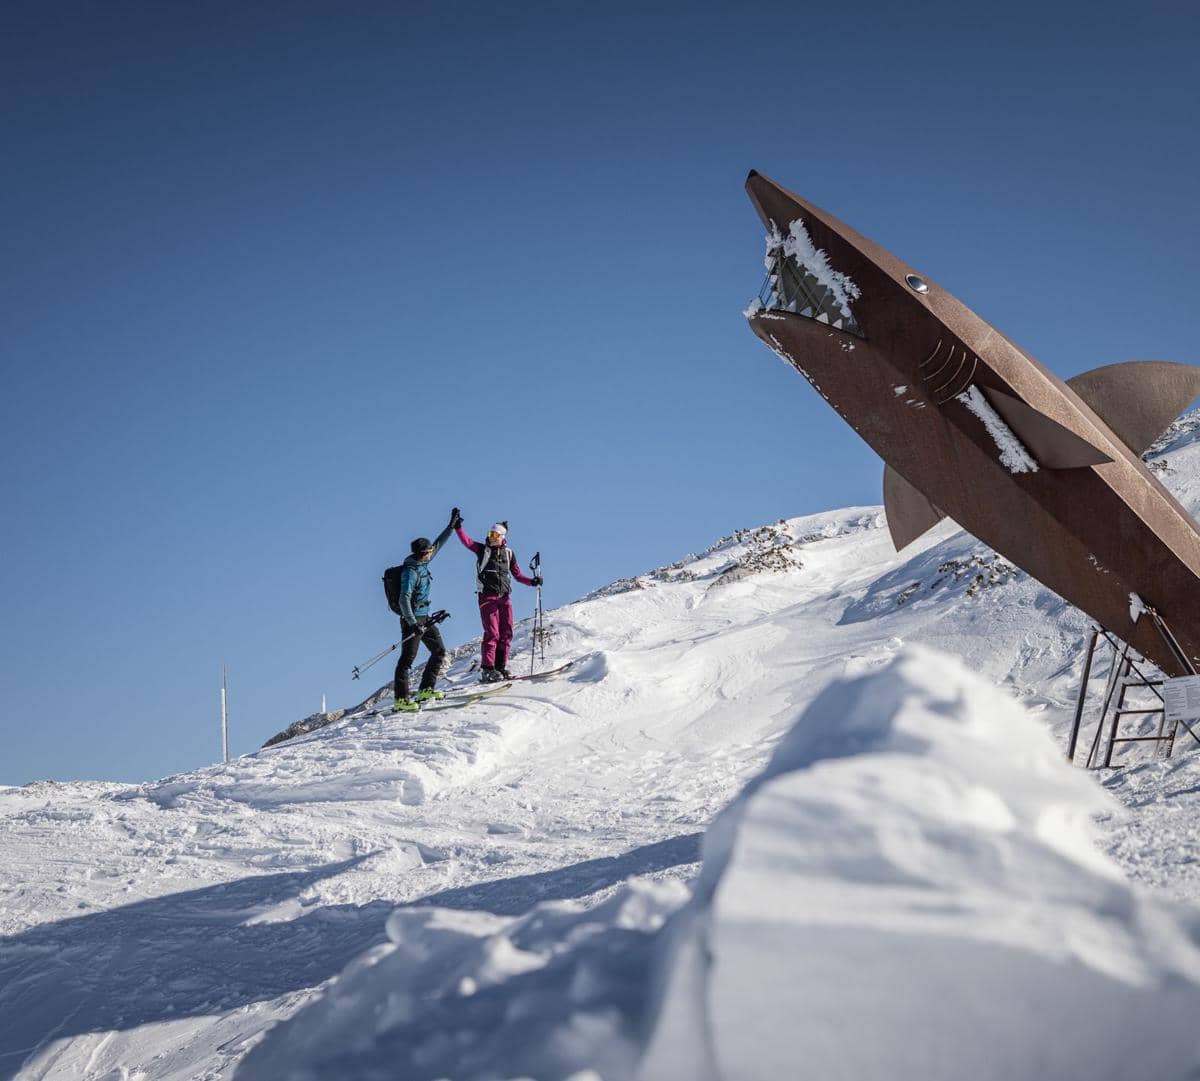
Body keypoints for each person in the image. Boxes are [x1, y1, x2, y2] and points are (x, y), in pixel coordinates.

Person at [450, 508, 542, 681]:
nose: (491, 538)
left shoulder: (509, 553)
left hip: (505, 597)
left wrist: (533, 582)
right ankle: (487, 669)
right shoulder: (482, 550)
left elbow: (517, 575)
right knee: (492, 633)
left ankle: (500, 667)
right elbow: (467, 542)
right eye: (490, 534)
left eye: (495, 535)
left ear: (502, 537)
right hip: (487, 597)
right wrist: (458, 528)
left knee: (506, 633)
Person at [390, 514, 455, 712]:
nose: (431, 553)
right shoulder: (411, 572)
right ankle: (401, 700)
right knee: (407, 660)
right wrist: (412, 622)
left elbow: (438, 544)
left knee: (439, 651)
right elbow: (404, 598)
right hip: (413, 619)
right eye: (428, 551)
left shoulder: (422, 563)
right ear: (423, 553)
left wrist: (450, 526)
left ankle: (425, 690)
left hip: (424, 616)